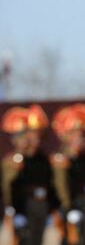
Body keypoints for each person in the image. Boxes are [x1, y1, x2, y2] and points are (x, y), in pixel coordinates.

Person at [1, 105, 56, 245]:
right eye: (29, 134)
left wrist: (52, 209)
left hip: (41, 206)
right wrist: (14, 210)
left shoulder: (42, 159)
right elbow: (9, 187)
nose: (33, 139)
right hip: (23, 208)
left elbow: (49, 183)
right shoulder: (13, 161)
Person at [50, 103, 85, 245]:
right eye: (75, 134)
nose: (80, 138)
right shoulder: (61, 158)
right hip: (69, 209)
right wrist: (68, 208)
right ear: (66, 136)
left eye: (83, 134)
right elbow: (60, 186)